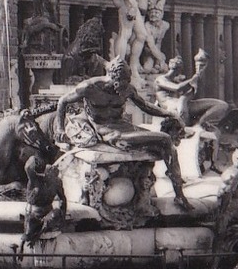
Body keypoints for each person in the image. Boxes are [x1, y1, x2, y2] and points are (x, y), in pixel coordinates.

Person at [53, 54, 188, 207]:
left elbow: (144, 106)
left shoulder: (127, 88)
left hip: (123, 126)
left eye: (125, 84)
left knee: (165, 141)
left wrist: (169, 113)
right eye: (117, 83)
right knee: (164, 139)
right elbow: (62, 101)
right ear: (109, 76)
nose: (121, 88)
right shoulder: (90, 87)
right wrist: (60, 128)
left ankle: (179, 193)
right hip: (105, 130)